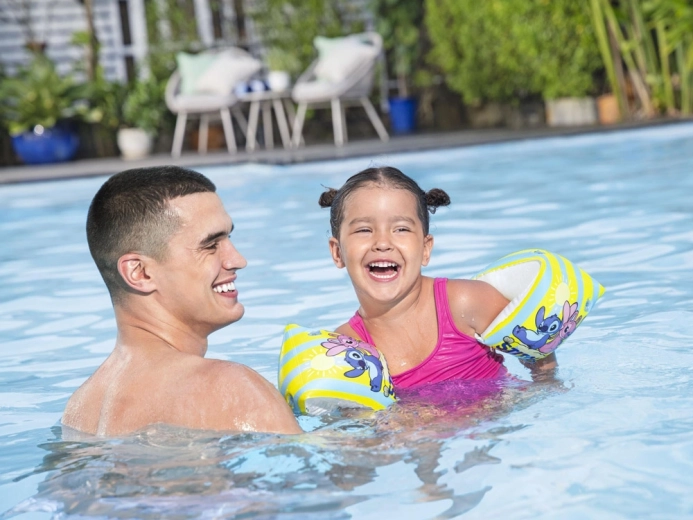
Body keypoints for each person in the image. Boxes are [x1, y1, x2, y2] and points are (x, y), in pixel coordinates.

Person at [62, 166, 301, 436]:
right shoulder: (229, 390)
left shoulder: (79, 409)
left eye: (228, 238)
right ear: (140, 272)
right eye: (210, 245)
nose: (237, 260)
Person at [318, 166, 556, 390]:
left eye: (401, 229)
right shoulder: (346, 346)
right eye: (364, 230)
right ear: (337, 252)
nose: (382, 243)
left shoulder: (465, 303)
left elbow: (540, 356)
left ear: (425, 248)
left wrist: (545, 386)